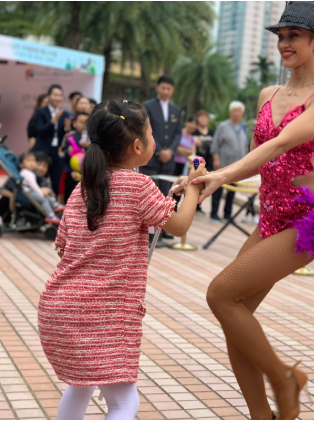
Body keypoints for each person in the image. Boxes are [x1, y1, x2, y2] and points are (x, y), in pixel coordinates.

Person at [173, 2, 314, 419]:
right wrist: (210, 178)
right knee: (235, 319)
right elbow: (257, 156)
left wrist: (221, 175)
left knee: (220, 294)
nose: (284, 43)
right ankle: (262, 415)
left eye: (294, 36)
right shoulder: (267, 95)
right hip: (270, 218)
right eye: (281, 36)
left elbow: (279, 144)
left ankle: (284, 379)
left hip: (307, 220)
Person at [37, 100, 206, 421]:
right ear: (138, 146)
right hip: (104, 315)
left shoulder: (82, 188)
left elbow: (63, 247)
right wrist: (195, 186)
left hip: (59, 311)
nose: (154, 139)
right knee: (124, 404)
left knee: (80, 387)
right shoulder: (139, 185)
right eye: (151, 133)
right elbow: (180, 225)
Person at [141, 76, 183, 240]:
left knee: (167, 194)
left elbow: (178, 133)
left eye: (169, 88)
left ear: (172, 91)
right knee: (150, 195)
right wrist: (159, 150)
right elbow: (146, 129)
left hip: (168, 161)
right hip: (151, 157)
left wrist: (171, 151)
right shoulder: (148, 106)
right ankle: (149, 231)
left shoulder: (176, 110)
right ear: (157, 88)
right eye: (163, 88)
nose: (166, 91)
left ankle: (164, 229)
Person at [209, 101, 248, 223]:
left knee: (232, 191)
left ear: (242, 114)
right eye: (235, 111)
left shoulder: (243, 129)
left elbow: (245, 147)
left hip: (237, 167)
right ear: (230, 112)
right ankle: (214, 213)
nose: (237, 113)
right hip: (223, 165)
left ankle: (227, 214)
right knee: (218, 189)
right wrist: (216, 159)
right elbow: (215, 145)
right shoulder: (223, 126)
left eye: (239, 111)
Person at [30, 84, 71, 197]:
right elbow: (39, 130)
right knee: (39, 177)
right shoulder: (41, 111)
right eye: (55, 95)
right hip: (43, 149)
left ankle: (54, 202)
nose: (57, 98)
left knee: (57, 179)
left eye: (60, 95)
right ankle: (36, 202)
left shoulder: (64, 113)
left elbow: (65, 134)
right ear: (49, 96)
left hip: (57, 151)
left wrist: (67, 128)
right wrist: (53, 121)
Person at [19, 152, 64, 224]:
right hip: (28, 198)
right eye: (39, 164)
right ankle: (51, 214)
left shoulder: (44, 180)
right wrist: (41, 192)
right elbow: (33, 186)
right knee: (44, 199)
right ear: (21, 164)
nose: (40, 168)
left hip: (31, 195)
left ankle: (55, 206)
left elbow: (51, 194)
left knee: (46, 197)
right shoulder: (28, 174)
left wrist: (49, 192)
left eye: (45, 166)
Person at [60, 111, 90, 203]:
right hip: (71, 172)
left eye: (86, 122)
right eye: (81, 122)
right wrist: (67, 151)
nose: (84, 125)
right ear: (74, 123)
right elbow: (60, 154)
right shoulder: (69, 136)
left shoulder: (92, 138)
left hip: (87, 173)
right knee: (70, 197)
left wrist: (88, 147)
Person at [193, 109, 214, 216]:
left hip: (209, 161)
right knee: (195, 182)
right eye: (201, 117)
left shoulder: (212, 132)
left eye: (205, 117)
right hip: (196, 161)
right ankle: (192, 205)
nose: (204, 119)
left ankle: (199, 205)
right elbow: (195, 143)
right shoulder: (194, 132)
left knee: (204, 184)